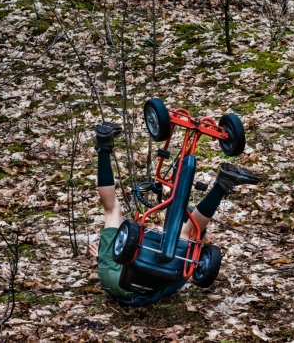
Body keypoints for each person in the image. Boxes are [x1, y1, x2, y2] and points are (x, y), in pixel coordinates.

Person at [89, 121, 259, 306]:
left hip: (129, 283)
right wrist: (102, 256)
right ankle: (104, 147)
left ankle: (222, 185)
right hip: (115, 277)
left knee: (188, 232)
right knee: (114, 210)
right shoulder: (113, 268)